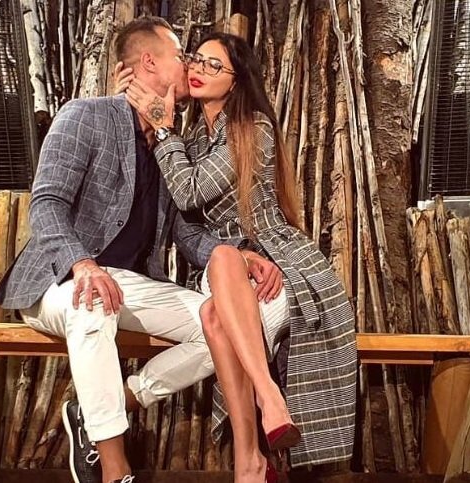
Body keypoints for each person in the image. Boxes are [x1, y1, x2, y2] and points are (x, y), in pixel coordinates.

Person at [0, 18, 283, 483]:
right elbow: (46, 203)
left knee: (224, 325)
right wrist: (83, 264)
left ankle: (107, 408)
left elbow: (186, 236)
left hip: (129, 284)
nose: (189, 65)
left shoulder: (171, 146)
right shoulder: (85, 115)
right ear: (149, 62)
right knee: (92, 304)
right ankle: (115, 469)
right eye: (180, 56)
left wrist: (237, 254)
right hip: (59, 280)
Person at [120, 32, 357, 482]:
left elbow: (191, 190)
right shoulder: (187, 143)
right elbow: (186, 227)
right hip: (224, 268)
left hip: (280, 264)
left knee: (216, 319)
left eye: (215, 65)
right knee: (225, 261)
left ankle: (248, 460)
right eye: (197, 60)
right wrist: (165, 131)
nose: (199, 69)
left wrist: (164, 130)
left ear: (236, 80)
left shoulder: (253, 129)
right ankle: (268, 401)